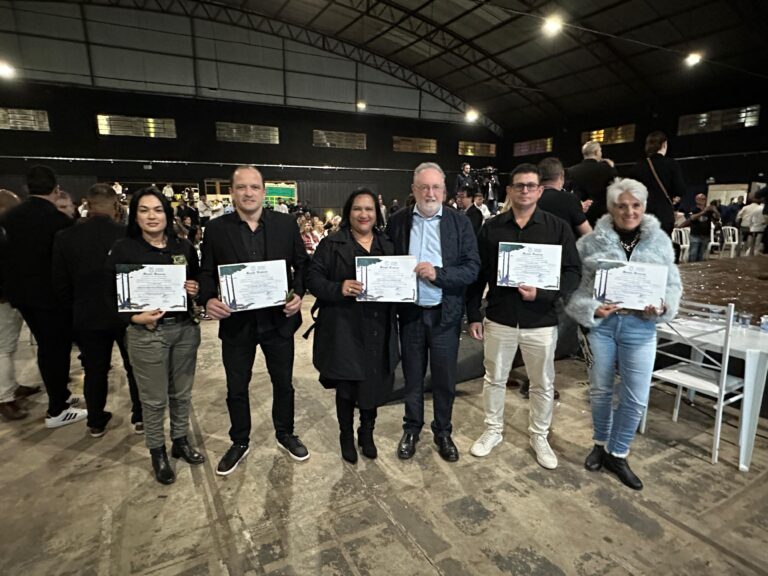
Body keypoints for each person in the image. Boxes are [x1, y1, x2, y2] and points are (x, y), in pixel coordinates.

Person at [566, 178, 681, 490]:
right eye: (621, 205)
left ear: (643, 207)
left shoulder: (660, 242)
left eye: (635, 205)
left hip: (641, 328)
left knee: (636, 395)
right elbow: (573, 289)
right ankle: (600, 444)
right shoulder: (589, 243)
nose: (629, 211)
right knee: (601, 391)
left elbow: (673, 286)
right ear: (611, 208)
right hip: (603, 328)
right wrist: (591, 308)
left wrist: (663, 307)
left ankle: (618, 452)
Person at [466, 163, 581, 469]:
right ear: (510, 190)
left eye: (531, 185)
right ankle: (493, 430)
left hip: (541, 319)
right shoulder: (492, 228)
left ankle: (539, 436)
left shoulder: (557, 228)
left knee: (542, 382)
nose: (525, 191)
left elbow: (573, 272)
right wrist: (473, 314)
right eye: (519, 185)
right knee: (494, 378)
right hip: (500, 317)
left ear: (540, 190)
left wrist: (544, 294)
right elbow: (478, 275)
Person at [199, 165, 310, 476]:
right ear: (233, 192)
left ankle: (285, 433)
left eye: (254, 187)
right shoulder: (217, 229)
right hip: (237, 324)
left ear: (264, 192)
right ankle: (239, 440)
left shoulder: (286, 225)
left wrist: (298, 293)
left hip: (278, 321)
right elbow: (206, 272)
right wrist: (208, 299)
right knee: (236, 386)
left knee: (283, 383)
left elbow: (302, 266)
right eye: (241, 187)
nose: (248, 193)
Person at [107, 187, 204, 485]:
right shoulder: (124, 249)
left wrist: (194, 289)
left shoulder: (182, 247)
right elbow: (108, 295)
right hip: (146, 333)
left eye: (158, 210)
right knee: (153, 400)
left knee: (181, 394)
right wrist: (133, 316)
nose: (152, 216)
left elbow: (197, 279)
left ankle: (179, 440)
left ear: (168, 214)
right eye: (144, 210)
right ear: (134, 215)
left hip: (184, 330)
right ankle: (157, 450)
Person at [386, 162, 480, 462]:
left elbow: (471, 268)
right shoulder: (398, 221)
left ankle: (443, 431)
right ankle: (412, 428)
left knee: (443, 379)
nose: (430, 192)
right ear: (413, 190)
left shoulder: (459, 223)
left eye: (435, 187)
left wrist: (438, 275)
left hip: (444, 315)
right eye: (423, 187)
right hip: (410, 314)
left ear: (444, 191)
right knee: (412, 377)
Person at [307, 188, 398, 463]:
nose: (364, 214)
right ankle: (345, 434)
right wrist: (339, 287)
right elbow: (312, 279)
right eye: (358, 208)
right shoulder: (331, 244)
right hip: (343, 328)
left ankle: (366, 432)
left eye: (369, 209)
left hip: (377, 327)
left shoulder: (388, 245)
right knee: (346, 388)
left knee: (374, 384)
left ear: (376, 213)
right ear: (349, 212)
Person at [53, 183, 144, 437]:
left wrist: (75, 308)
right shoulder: (127, 235)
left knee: (94, 370)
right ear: (115, 205)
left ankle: (95, 420)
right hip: (127, 313)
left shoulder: (65, 237)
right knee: (134, 366)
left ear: (87, 204)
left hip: (87, 315)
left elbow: (59, 283)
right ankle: (140, 416)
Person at [0, 165, 85, 428]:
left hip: (20, 296)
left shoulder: (9, 219)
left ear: (27, 188)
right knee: (54, 350)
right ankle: (57, 409)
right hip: (52, 298)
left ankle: (61, 397)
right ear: (56, 189)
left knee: (45, 348)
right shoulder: (59, 221)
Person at [0, 189, 41, 421]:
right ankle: (5, 398)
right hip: (3, 299)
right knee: (3, 349)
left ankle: (10, 386)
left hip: (10, 296)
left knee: (8, 347)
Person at [630, 131, 686, 235]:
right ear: (664, 144)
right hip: (663, 216)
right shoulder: (671, 164)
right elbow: (680, 189)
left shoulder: (638, 166)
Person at [537, 157, 593, 238]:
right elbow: (588, 234)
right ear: (561, 176)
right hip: (565, 249)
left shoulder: (530, 199)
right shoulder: (570, 199)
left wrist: (577, 210)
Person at [566, 141, 618, 226]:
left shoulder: (571, 171)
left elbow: (567, 192)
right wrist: (612, 168)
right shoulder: (607, 169)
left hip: (581, 216)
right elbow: (616, 186)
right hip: (602, 215)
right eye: (600, 151)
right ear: (596, 152)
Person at [681, 193, 720, 262]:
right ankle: (691, 268)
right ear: (696, 200)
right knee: (693, 254)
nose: (702, 200)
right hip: (695, 235)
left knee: (701, 255)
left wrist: (715, 210)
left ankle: (699, 269)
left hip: (705, 235)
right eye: (700, 199)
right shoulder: (693, 208)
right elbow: (692, 218)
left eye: (704, 199)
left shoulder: (709, 210)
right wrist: (704, 211)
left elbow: (717, 218)